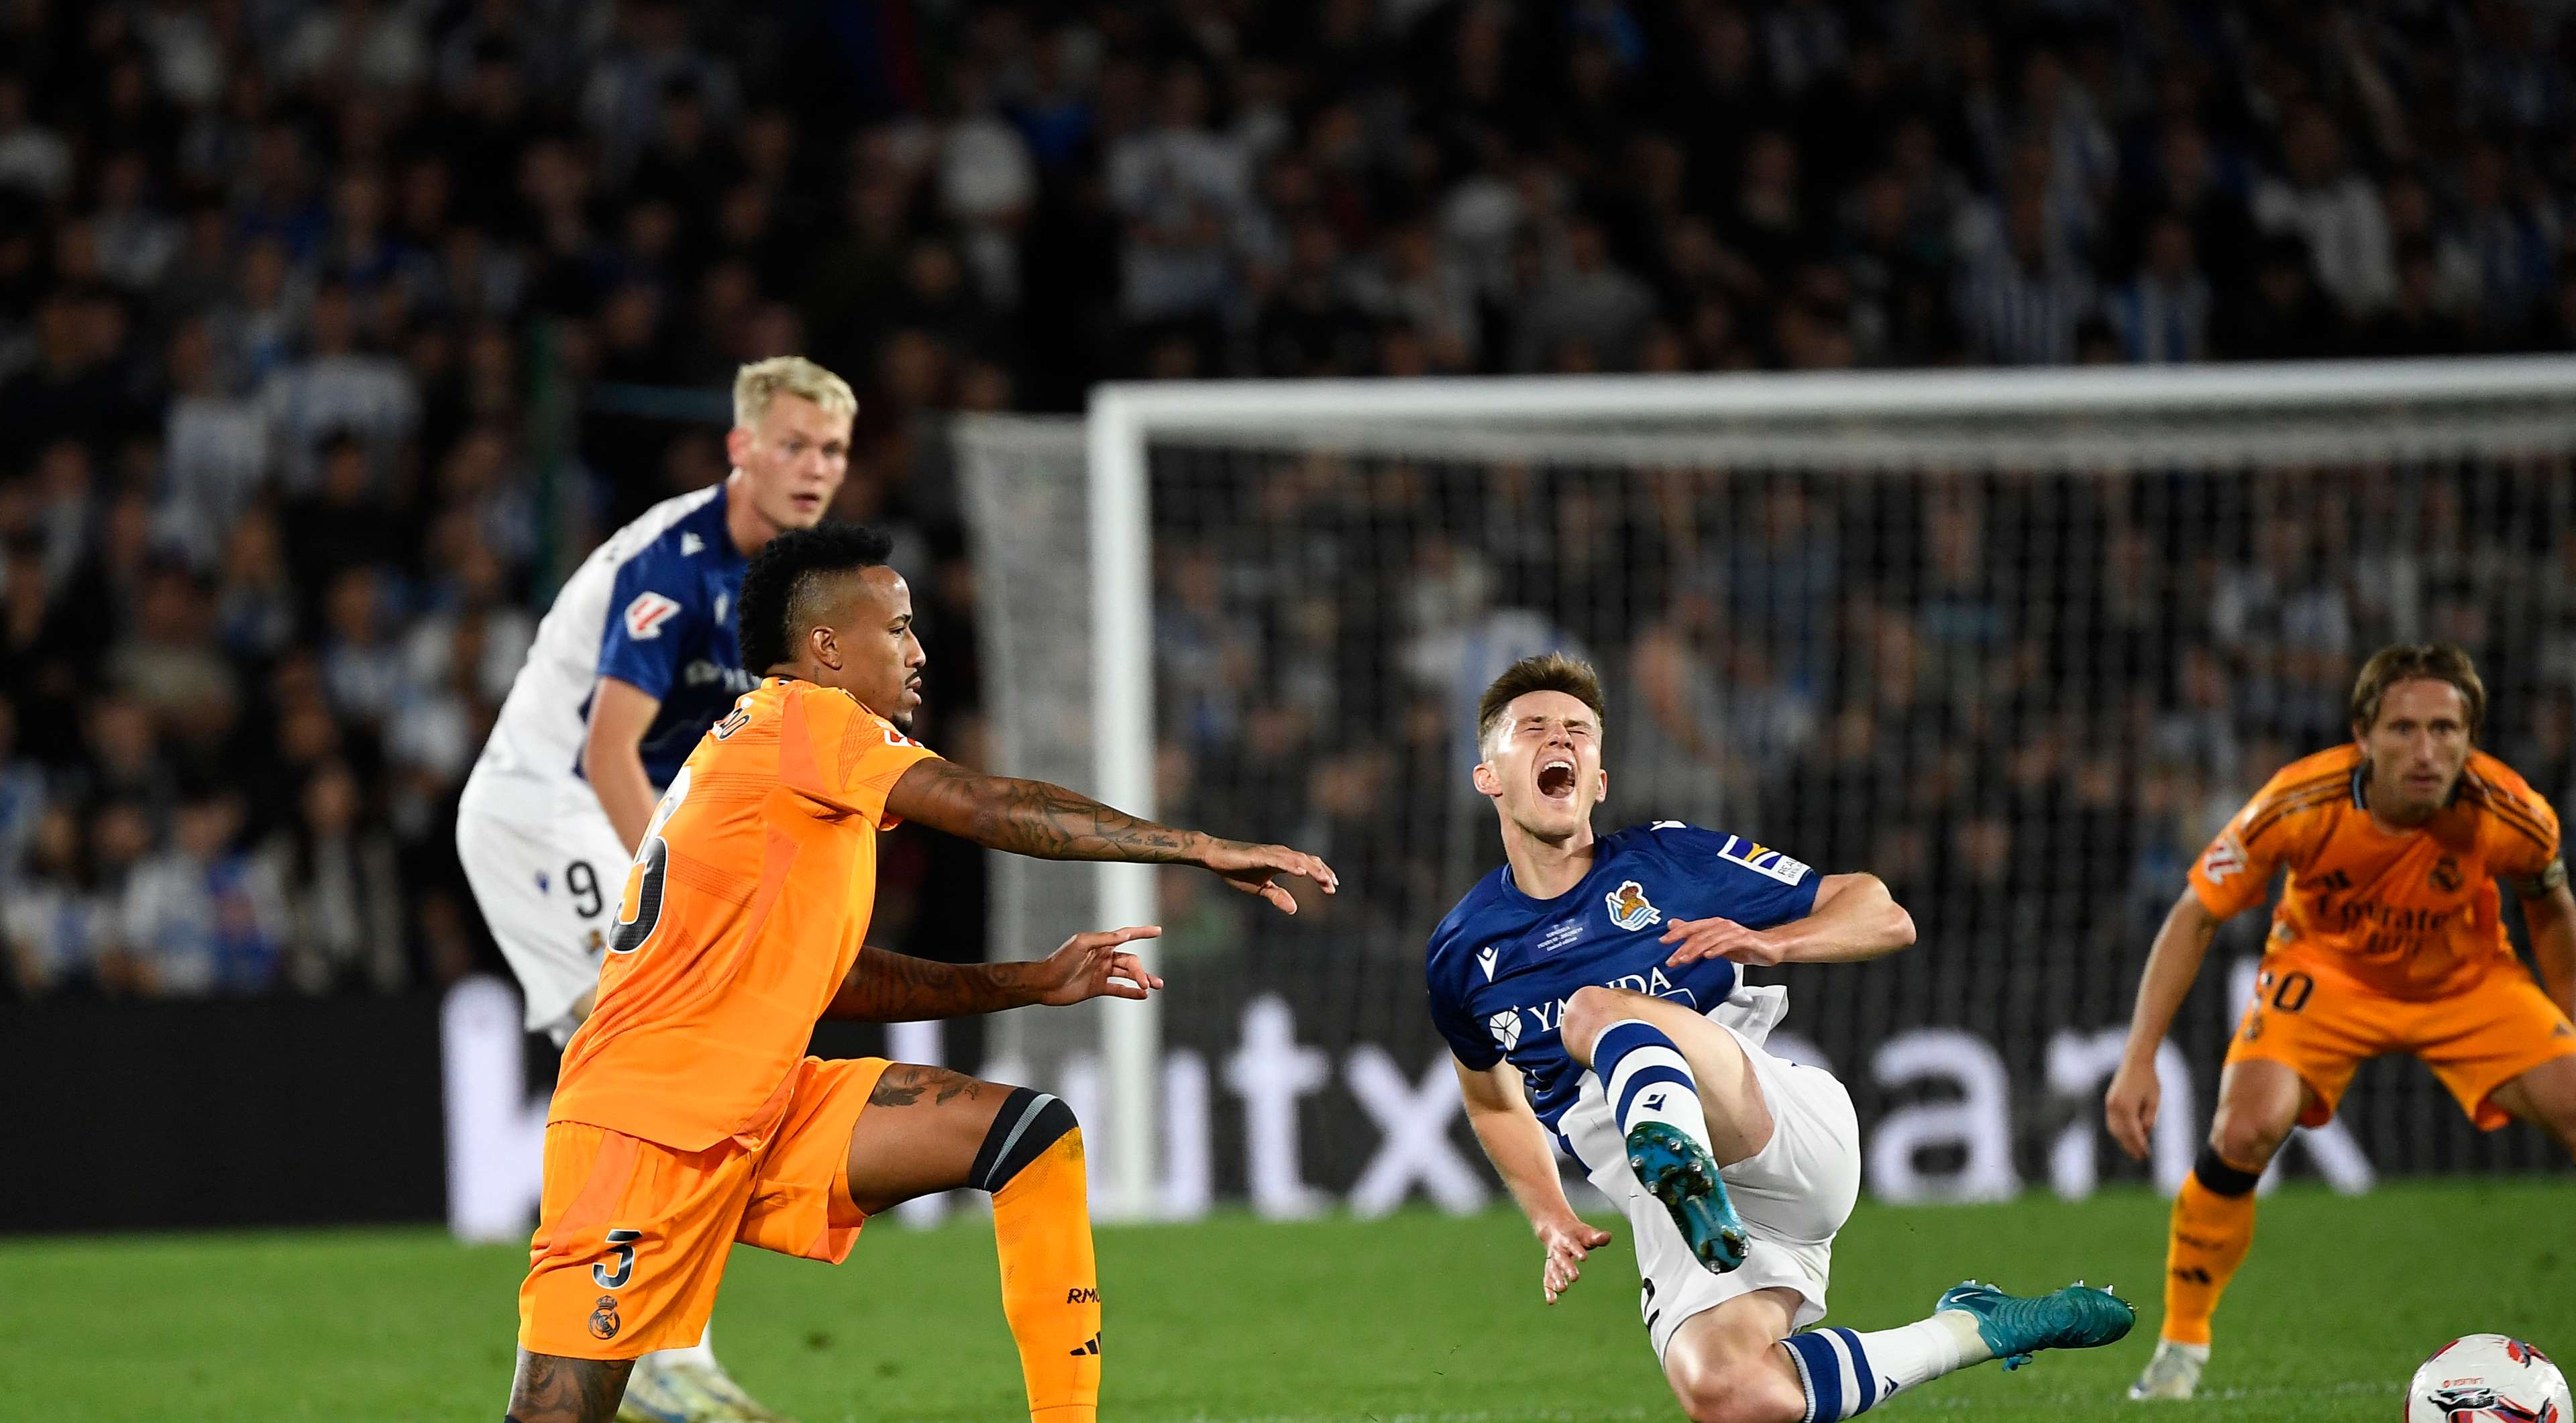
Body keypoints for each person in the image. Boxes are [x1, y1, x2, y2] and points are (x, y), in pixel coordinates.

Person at [504, 521, 1337, 1423]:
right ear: (825, 647)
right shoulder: (810, 723)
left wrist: (1027, 980)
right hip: (645, 1127)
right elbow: (989, 805)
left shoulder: (785, 760)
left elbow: (839, 979)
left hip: (765, 1106)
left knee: (1030, 1135)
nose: (919, 650)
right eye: (896, 628)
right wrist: (1195, 847)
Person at [1426, 653, 2132, 1423]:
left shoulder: (1671, 860)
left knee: (1594, 1011)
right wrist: (1551, 1216)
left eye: (1580, 732)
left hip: (1777, 1133)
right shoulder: (1461, 951)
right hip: (1691, 1216)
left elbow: (1881, 911)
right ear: (1489, 776)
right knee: (1732, 1394)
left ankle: (1676, 1146)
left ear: (1598, 780)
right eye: (1534, 729)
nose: (1560, 739)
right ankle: (1974, 1327)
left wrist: (1777, 944)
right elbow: (1494, 1103)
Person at [458, 355, 857, 1422]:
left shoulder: (791, 580)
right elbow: (608, 755)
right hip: (542, 815)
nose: (814, 468)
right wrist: (691, 900)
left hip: (612, 822)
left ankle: (626, 1352)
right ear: (740, 449)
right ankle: (654, 1355)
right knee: (659, 1063)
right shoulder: (672, 566)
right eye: (793, 446)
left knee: (668, 1068)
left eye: (832, 451)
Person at [2108, 643, 2576, 1401]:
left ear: (2470, 736)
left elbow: (2550, 910)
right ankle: (2180, 1349)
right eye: (2402, 729)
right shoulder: (2299, 802)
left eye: (2445, 730)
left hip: (2468, 983)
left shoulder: (2511, 811)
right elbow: (2194, 915)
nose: (2426, 751)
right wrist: (2139, 1058)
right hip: (2326, 978)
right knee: (2244, 1128)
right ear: (2364, 734)